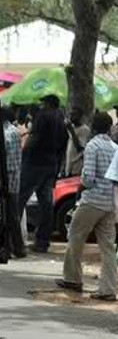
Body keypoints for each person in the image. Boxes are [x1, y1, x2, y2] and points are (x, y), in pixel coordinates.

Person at [57, 112, 117, 301]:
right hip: (109, 203)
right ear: (109, 128)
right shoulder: (115, 147)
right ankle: (108, 290)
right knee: (108, 248)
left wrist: (81, 188)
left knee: (75, 237)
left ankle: (73, 279)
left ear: (93, 127)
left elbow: (88, 178)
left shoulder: (93, 146)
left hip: (91, 201)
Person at [18, 95, 68, 253]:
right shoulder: (61, 119)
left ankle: (13, 240)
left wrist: (23, 155)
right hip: (51, 165)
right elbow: (64, 144)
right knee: (46, 204)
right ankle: (42, 242)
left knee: (19, 200)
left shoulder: (43, 116)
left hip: (35, 163)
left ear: (47, 104)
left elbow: (34, 139)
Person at [1, 107, 26, 259]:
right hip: (14, 179)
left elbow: (7, 162)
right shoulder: (14, 131)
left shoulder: (5, 133)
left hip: (8, 179)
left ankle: (12, 248)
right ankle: (17, 247)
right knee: (12, 215)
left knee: (8, 215)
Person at [64, 107, 91, 176]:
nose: (71, 117)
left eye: (74, 115)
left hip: (77, 165)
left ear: (80, 116)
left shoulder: (84, 129)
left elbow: (80, 148)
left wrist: (71, 131)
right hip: (69, 163)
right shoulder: (71, 127)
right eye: (70, 115)